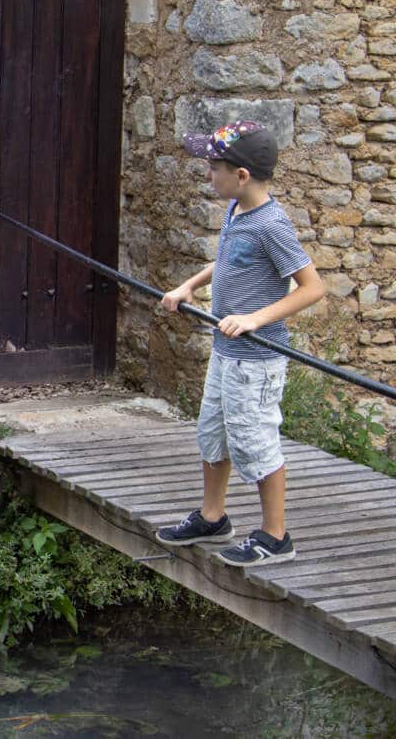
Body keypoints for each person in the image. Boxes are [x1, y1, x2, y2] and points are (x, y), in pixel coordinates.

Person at [154, 121, 325, 566]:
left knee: (255, 441)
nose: (209, 175)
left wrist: (255, 319)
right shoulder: (237, 211)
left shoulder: (272, 224)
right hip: (225, 354)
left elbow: (311, 288)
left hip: (258, 360)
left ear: (242, 175)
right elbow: (227, 260)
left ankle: (275, 536)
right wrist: (188, 286)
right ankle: (213, 517)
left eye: (214, 167)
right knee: (212, 435)